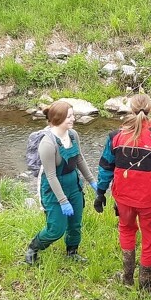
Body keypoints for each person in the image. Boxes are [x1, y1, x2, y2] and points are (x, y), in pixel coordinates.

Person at [94, 94, 151, 291]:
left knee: (126, 230)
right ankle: (146, 287)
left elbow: (105, 167)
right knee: (150, 239)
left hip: (123, 199)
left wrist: (101, 192)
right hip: (149, 201)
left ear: (130, 109)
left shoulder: (116, 137)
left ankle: (127, 278)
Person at [25, 100, 97, 265]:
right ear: (58, 118)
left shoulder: (73, 135)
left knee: (75, 224)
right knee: (56, 229)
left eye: (73, 115)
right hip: (54, 188)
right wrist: (63, 201)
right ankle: (33, 247)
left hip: (74, 185)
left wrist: (92, 182)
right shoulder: (48, 143)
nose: (73, 119)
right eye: (69, 116)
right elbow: (50, 176)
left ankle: (72, 252)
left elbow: (79, 158)